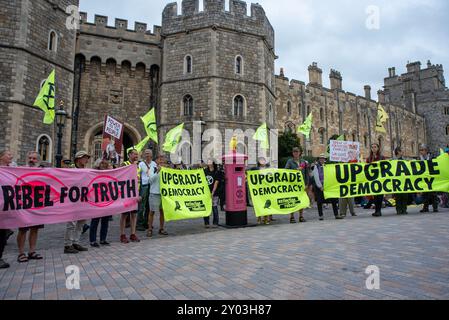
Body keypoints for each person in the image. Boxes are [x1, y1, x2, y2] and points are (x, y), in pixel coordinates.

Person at [16, 151, 45, 263]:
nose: (31, 160)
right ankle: (21, 253)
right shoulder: (20, 170)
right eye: (30, 158)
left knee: (35, 228)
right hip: (24, 203)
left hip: (37, 202)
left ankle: (32, 251)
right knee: (23, 229)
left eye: (34, 158)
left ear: (38, 160)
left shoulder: (42, 171)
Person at [63, 151, 90, 254]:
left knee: (81, 222)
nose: (87, 160)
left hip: (83, 199)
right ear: (79, 159)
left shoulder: (87, 171)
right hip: (73, 200)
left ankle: (76, 242)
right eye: (85, 158)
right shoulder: (71, 170)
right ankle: (67, 245)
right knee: (72, 223)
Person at [313, 154, 344, 220]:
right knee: (319, 201)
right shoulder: (316, 166)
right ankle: (320, 215)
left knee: (333, 200)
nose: (322, 159)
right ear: (319, 159)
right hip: (320, 186)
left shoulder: (327, 166)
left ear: (325, 160)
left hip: (328, 186)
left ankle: (336, 214)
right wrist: (320, 186)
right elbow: (316, 177)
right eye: (321, 158)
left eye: (323, 158)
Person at [120, 149, 141, 243]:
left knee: (134, 215)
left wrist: (139, 194)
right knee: (124, 215)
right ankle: (122, 234)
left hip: (136, 193)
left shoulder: (138, 166)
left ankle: (133, 234)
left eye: (137, 154)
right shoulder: (124, 164)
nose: (136, 155)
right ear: (129, 155)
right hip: (126, 193)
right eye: (134, 154)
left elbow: (140, 180)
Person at [89, 160, 112, 247]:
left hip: (106, 200)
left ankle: (103, 239)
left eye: (106, 165)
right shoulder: (94, 174)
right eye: (103, 165)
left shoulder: (109, 174)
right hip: (96, 200)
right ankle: (93, 240)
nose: (104, 167)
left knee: (105, 221)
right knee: (95, 221)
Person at [285, 147, 308, 223]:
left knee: (301, 200)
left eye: (297, 152)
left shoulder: (303, 161)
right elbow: (286, 171)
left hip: (301, 184)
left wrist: (306, 184)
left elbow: (306, 173)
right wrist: (295, 170)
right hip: (293, 185)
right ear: (292, 153)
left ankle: (301, 216)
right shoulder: (290, 161)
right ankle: (292, 217)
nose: (296, 153)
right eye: (294, 152)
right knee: (292, 201)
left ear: (299, 153)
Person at [148, 154, 168, 237]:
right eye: (160, 159)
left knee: (162, 212)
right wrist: (157, 172)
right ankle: (149, 229)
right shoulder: (152, 168)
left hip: (163, 194)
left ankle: (161, 228)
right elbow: (150, 180)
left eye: (163, 159)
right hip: (154, 193)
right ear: (156, 161)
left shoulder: (166, 169)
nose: (162, 161)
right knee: (152, 212)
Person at [137, 149, 157, 231]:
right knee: (141, 206)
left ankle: (147, 222)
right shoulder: (141, 164)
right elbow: (137, 174)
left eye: (148, 153)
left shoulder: (154, 164)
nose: (147, 155)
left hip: (152, 185)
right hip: (144, 185)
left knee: (149, 206)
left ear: (151, 155)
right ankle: (139, 224)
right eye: (146, 153)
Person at [0, 150, 13, 268]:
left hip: (5, 208)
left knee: (2, 235)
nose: (11, 156)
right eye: (8, 154)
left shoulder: (13, 169)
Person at [366, 143, 386, 217]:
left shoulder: (382, 157)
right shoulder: (369, 158)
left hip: (380, 178)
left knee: (379, 195)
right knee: (374, 195)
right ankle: (376, 210)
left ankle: (379, 210)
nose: (373, 148)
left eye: (375, 147)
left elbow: (385, 167)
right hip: (372, 179)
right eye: (372, 147)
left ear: (378, 148)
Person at [419, 144, 439, 213]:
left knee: (433, 193)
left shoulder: (432, 157)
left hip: (432, 177)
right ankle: (425, 207)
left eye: (422, 150)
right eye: (420, 150)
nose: (421, 151)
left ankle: (435, 207)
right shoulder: (419, 158)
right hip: (424, 178)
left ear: (426, 150)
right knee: (425, 193)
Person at [204, 158, 221, 228]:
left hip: (214, 192)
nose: (209, 163)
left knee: (214, 207)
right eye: (208, 161)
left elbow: (216, 183)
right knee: (206, 208)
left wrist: (212, 192)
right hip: (205, 192)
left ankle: (215, 223)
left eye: (210, 161)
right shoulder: (205, 171)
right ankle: (206, 223)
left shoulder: (217, 172)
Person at [393, 147, 409, 215]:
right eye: (402, 151)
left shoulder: (405, 160)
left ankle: (404, 209)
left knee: (405, 196)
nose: (403, 152)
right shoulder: (392, 160)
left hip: (404, 180)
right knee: (398, 196)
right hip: (396, 180)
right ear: (398, 152)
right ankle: (398, 210)